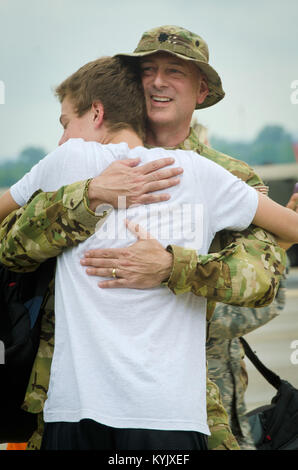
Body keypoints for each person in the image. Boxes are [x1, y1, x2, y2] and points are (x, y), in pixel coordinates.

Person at [0, 26, 288, 450]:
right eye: (147, 70)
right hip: (76, 402)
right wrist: (89, 196)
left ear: (202, 91)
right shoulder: (82, 156)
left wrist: (175, 267)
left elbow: (263, 279)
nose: (157, 81)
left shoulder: (229, 176)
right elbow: (11, 249)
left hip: (187, 403)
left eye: (175, 71)